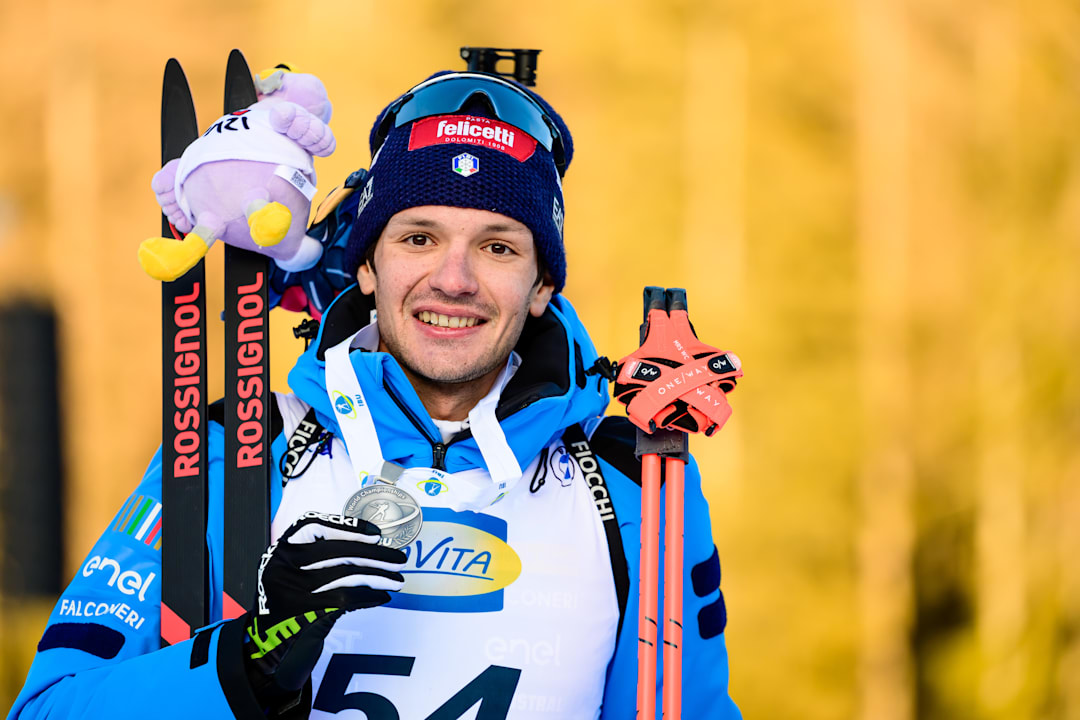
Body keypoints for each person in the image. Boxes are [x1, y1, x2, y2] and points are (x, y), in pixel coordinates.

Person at [8, 67, 740, 719]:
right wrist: (244, 665)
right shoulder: (237, 451)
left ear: (544, 284)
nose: (453, 279)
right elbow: (48, 707)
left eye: (497, 247)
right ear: (366, 266)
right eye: (418, 238)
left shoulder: (635, 486)